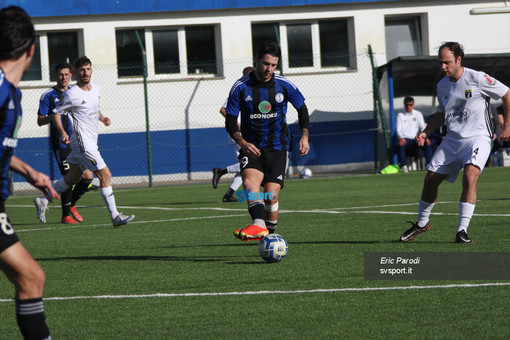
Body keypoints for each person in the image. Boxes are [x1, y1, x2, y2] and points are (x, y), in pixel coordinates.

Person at [400, 41, 510, 244]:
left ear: (459, 60)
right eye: (440, 63)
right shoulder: (442, 85)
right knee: (430, 179)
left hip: (478, 138)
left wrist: (507, 126)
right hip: (452, 139)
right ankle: (422, 223)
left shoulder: (477, 78)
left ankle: (462, 231)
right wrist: (426, 132)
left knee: (469, 176)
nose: (443, 67)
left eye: (446, 62)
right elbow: (441, 114)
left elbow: (506, 93)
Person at [0, 6, 59, 339]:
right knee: (31, 277)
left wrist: (28, 171)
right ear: (31, 50)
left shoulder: (10, 91)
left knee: (31, 278)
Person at [34, 56, 135, 227]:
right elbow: (57, 113)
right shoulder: (71, 93)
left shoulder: (96, 88)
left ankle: (43, 200)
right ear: (76, 73)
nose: (85, 72)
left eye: (87, 69)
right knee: (106, 175)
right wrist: (62, 132)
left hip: (91, 140)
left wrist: (102, 118)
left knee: (72, 178)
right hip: (82, 143)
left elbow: (94, 107)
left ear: (91, 70)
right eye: (81, 70)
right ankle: (115, 217)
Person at [225, 41, 310, 241]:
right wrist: (243, 143)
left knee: (271, 197)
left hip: (278, 147)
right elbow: (230, 122)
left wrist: (305, 136)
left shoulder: (284, 85)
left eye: (273, 65)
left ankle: (268, 235)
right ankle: (258, 224)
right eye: (265, 64)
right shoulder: (240, 86)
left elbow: (302, 110)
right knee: (249, 182)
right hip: (251, 147)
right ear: (257, 60)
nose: (269, 69)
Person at [35, 62, 95, 224]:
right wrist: (56, 114)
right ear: (56, 76)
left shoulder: (75, 92)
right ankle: (65, 216)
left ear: (71, 76)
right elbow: (40, 121)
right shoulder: (48, 95)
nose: (64, 78)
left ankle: (72, 205)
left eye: (67, 74)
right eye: (61, 74)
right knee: (69, 177)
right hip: (61, 143)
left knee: (88, 177)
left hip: (78, 142)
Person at [212, 66, 256, 202]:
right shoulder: (239, 90)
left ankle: (228, 194)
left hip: (247, 132)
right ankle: (221, 171)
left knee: (245, 166)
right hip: (238, 134)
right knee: (248, 163)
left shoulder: (254, 91)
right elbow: (222, 109)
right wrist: (235, 122)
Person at [395, 96, 433, 172]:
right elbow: (398, 129)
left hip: (416, 138)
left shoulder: (418, 114)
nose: (408, 107)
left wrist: (425, 136)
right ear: (404, 105)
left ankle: (429, 164)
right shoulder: (400, 115)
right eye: (406, 105)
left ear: (413, 105)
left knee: (427, 143)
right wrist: (401, 138)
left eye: (410, 105)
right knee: (401, 144)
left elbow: (422, 127)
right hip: (405, 138)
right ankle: (403, 166)